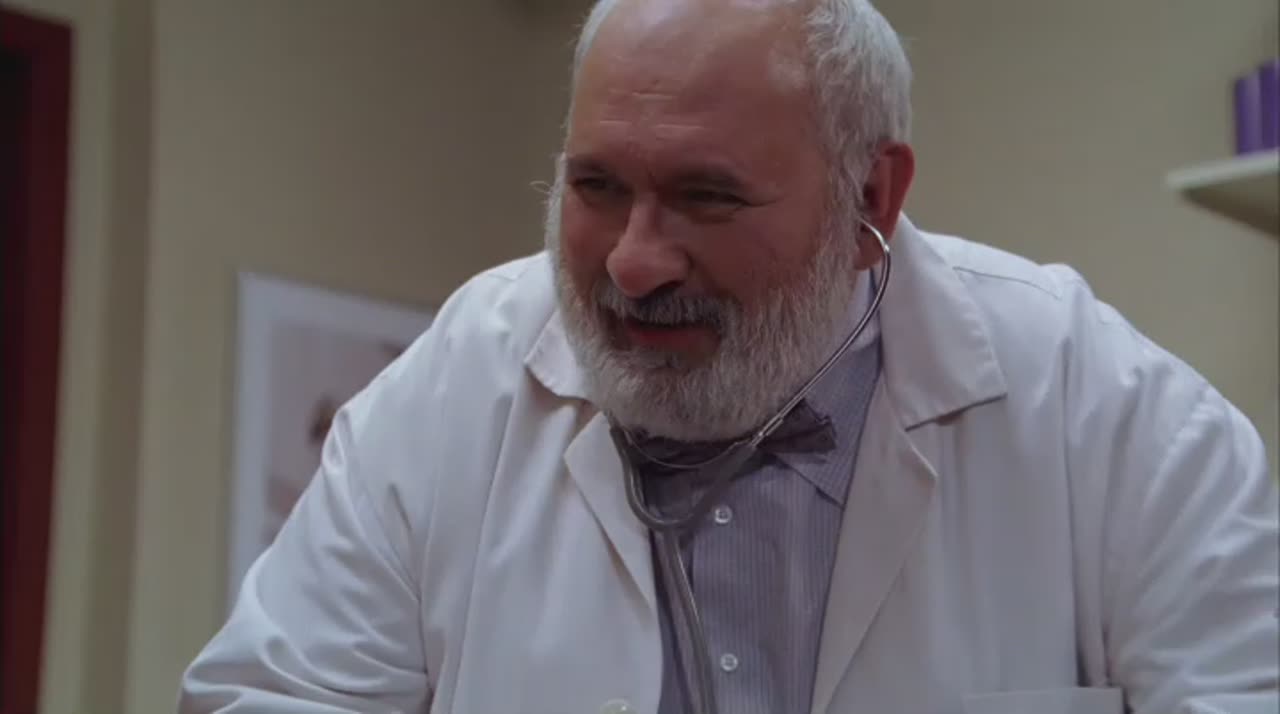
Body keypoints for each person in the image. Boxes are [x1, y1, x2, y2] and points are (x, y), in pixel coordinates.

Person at [179, 0, 1279, 712]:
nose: (635, 261)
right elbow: (276, 695)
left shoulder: (1110, 415)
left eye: (705, 196)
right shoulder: (459, 383)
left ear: (869, 196)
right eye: (597, 186)